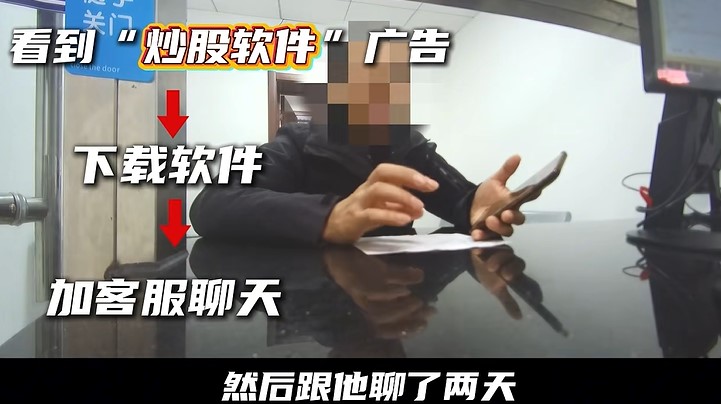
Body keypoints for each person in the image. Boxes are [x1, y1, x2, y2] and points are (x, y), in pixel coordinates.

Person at [189, 23, 528, 246]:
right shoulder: (296, 143)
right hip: (319, 296)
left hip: (400, 293)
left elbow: (457, 201)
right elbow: (211, 205)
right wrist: (328, 218)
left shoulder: (411, 148)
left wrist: (474, 207)